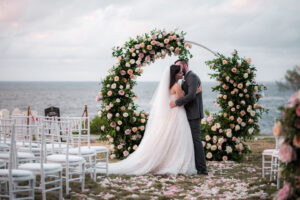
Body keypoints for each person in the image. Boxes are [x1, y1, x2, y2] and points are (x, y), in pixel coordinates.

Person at [97, 65, 201, 175]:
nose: (182, 74)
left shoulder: (167, 86)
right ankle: (174, 162)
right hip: (177, 114)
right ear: (175, 75)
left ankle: (168, 161)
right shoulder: (176, 86)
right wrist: (196, 92)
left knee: (172, 139)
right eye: (180, 73)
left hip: (171, 114)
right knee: (178, 139)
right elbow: (183, 99)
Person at [170, 59, 208, 175]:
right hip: (188, 113)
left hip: (194, 114)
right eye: (177, 68)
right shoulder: (185, 79)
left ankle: (202, 169)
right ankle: (194, 166)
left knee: (196, 141)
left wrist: (176, 103)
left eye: (180, 67)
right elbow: (189, 94)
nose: (179, 70)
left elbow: (190, 95)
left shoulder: (192, 76)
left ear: (185, 65)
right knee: (190, 141)